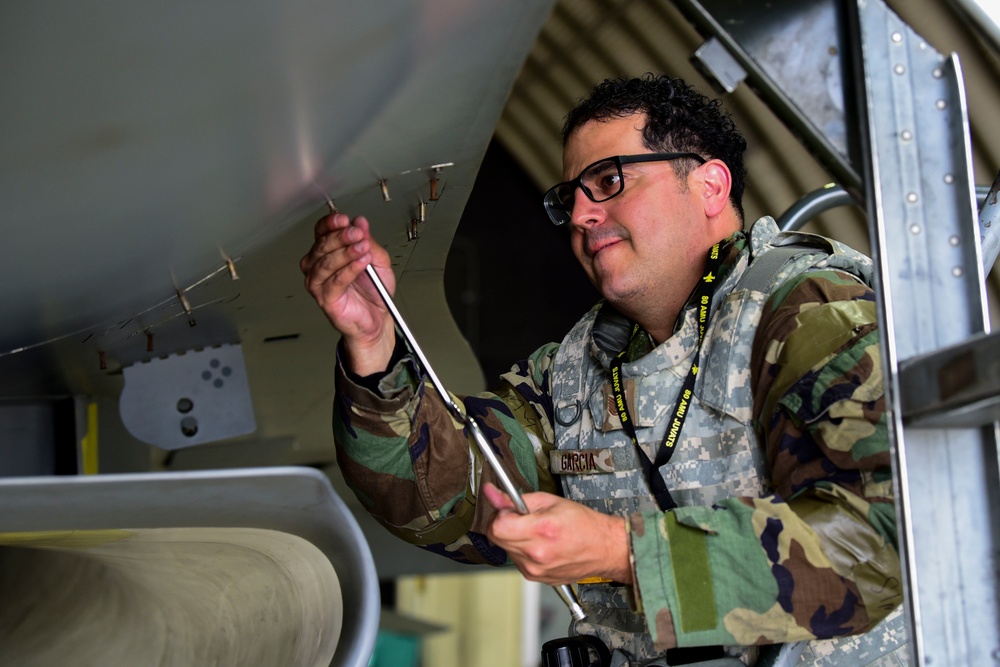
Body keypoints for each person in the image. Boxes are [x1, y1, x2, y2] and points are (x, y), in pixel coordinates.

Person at [300, 74, 908, 666]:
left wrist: (623, 553)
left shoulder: (808, 313)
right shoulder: (573, 370)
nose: (583, 215)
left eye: (610, 181)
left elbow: (877, 542)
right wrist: (375, 346)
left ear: (710, 186)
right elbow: (442, 499)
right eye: (571, 198)